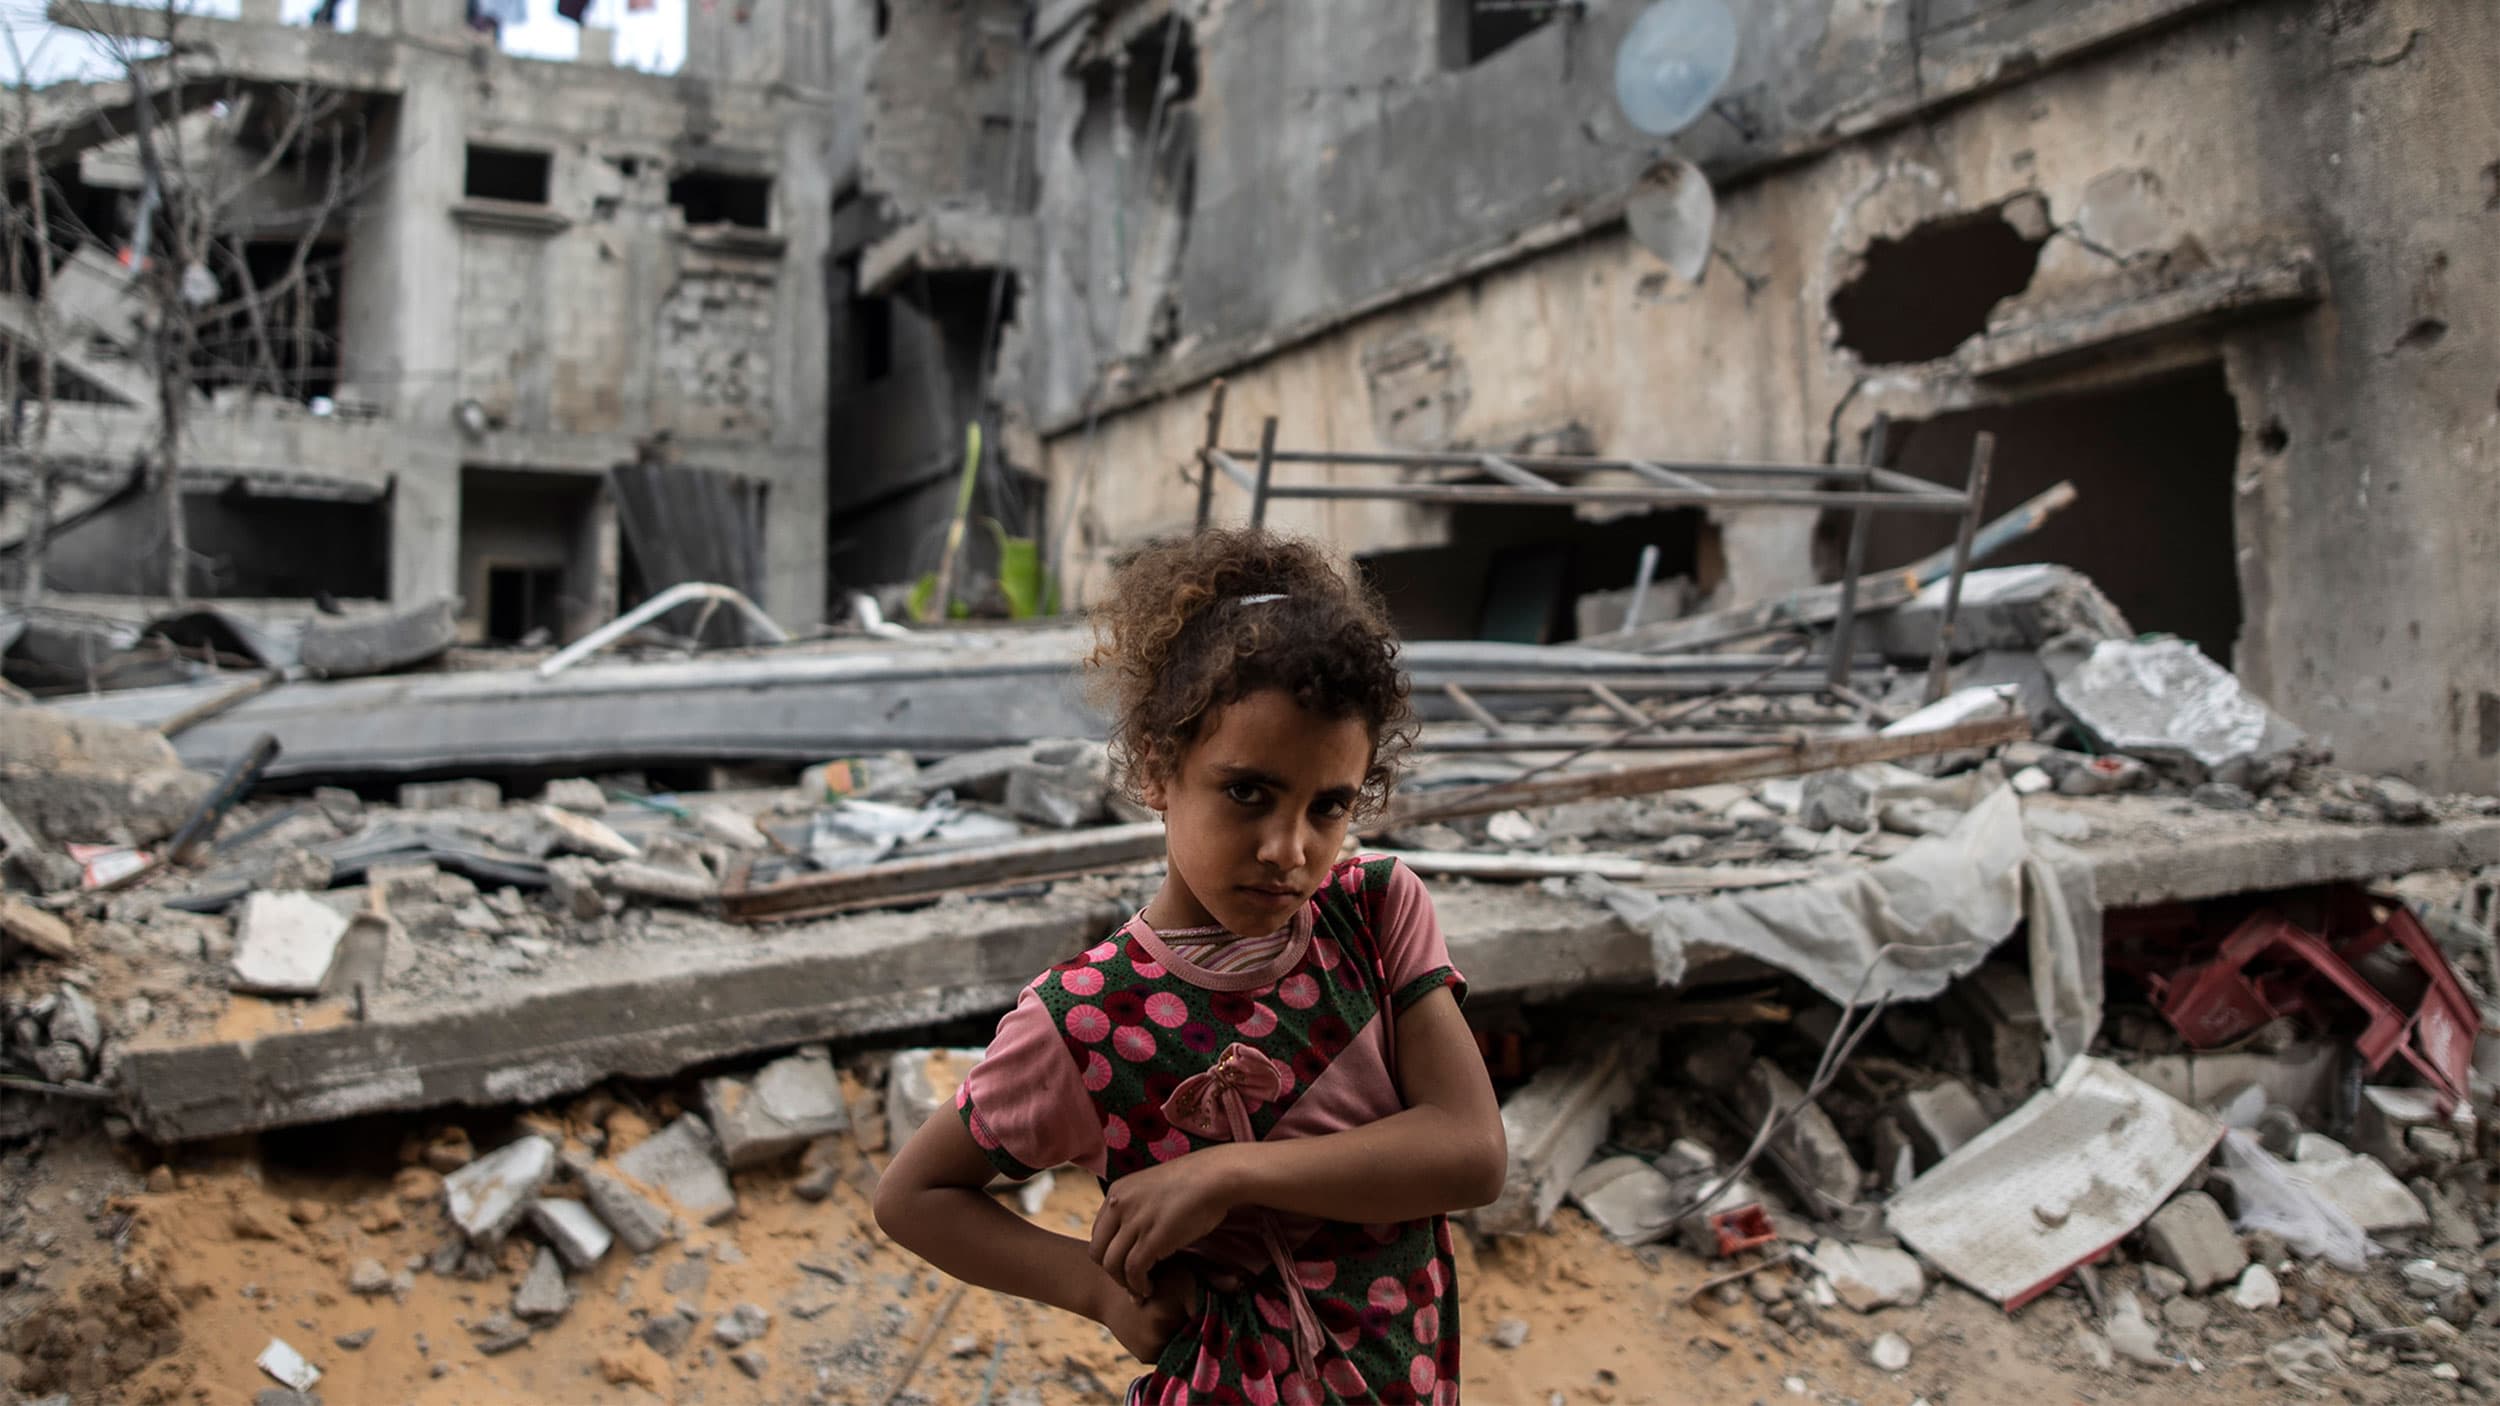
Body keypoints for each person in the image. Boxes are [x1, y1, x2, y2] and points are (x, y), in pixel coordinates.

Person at [876, 528, 1508, 1404]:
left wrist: (1228, 1172)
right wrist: (1094, 1289)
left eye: (1328, 806)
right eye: (1248, 792)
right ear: (1158, 769)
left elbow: (1471, 1153)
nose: (1289, 849)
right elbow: (913, 1198)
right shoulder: (1089, 1019)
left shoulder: (1372, 916)